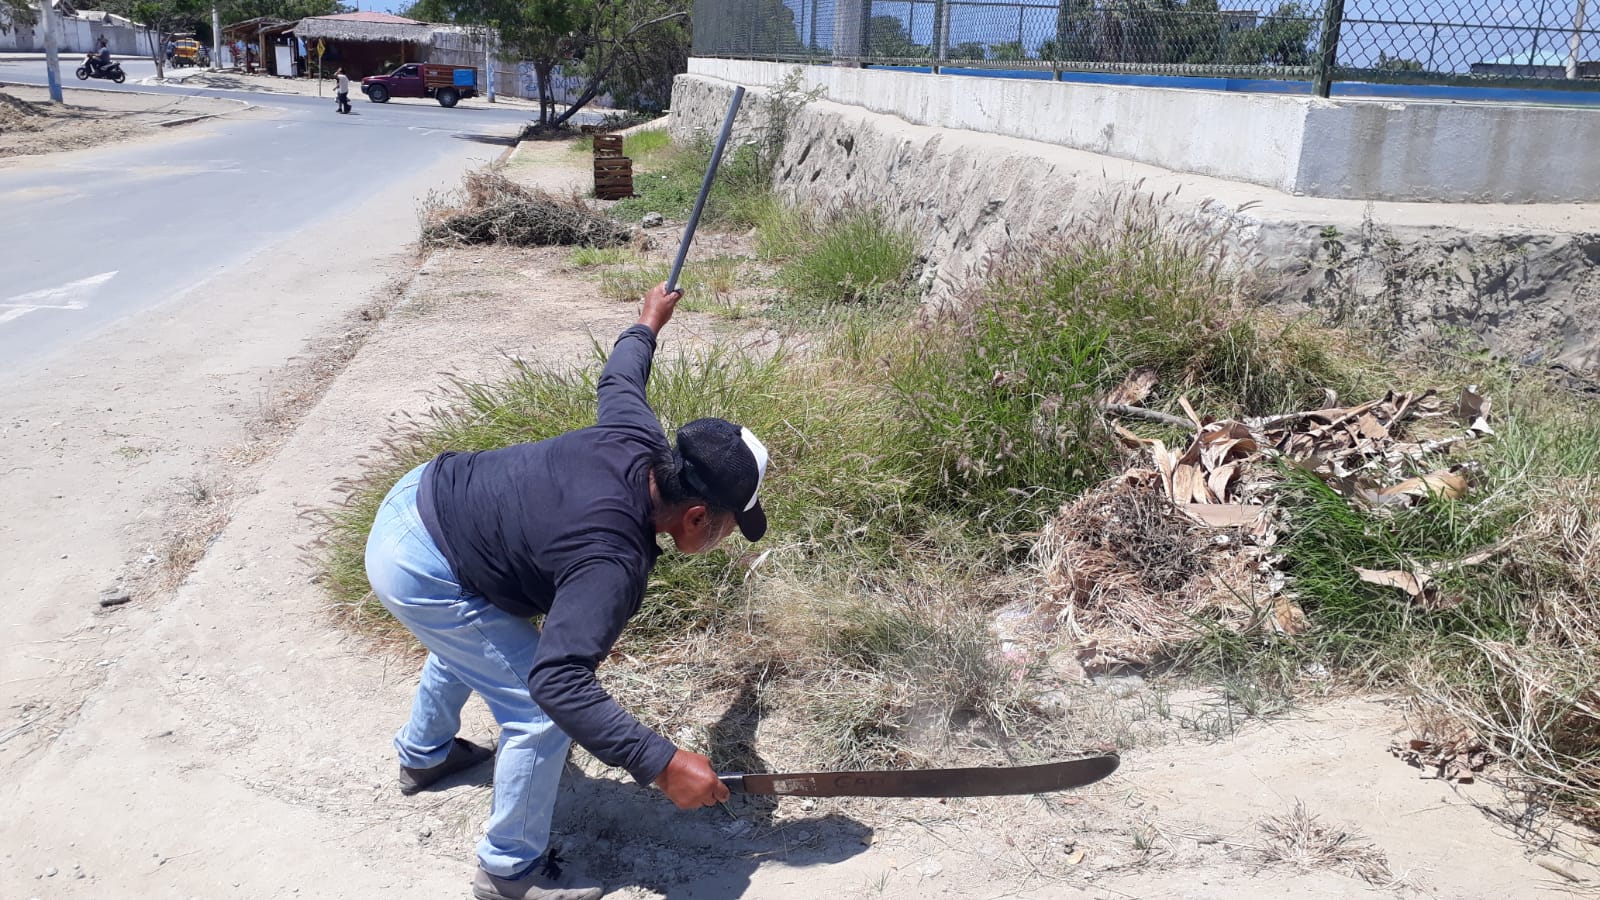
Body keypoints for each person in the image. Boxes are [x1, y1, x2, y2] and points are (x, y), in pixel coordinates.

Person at [364, 281, 768, 900]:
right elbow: (557, 682)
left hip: (423, 496)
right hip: (420, 565)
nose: (726, 535)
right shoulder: (613, 560)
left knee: (482, 635)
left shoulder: (638, 440)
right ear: (694, 517)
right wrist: (661, 764)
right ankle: (508, 873)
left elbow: (620, 378)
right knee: (535, 711)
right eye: (729, 525)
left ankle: (426, 756)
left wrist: (647, 324)